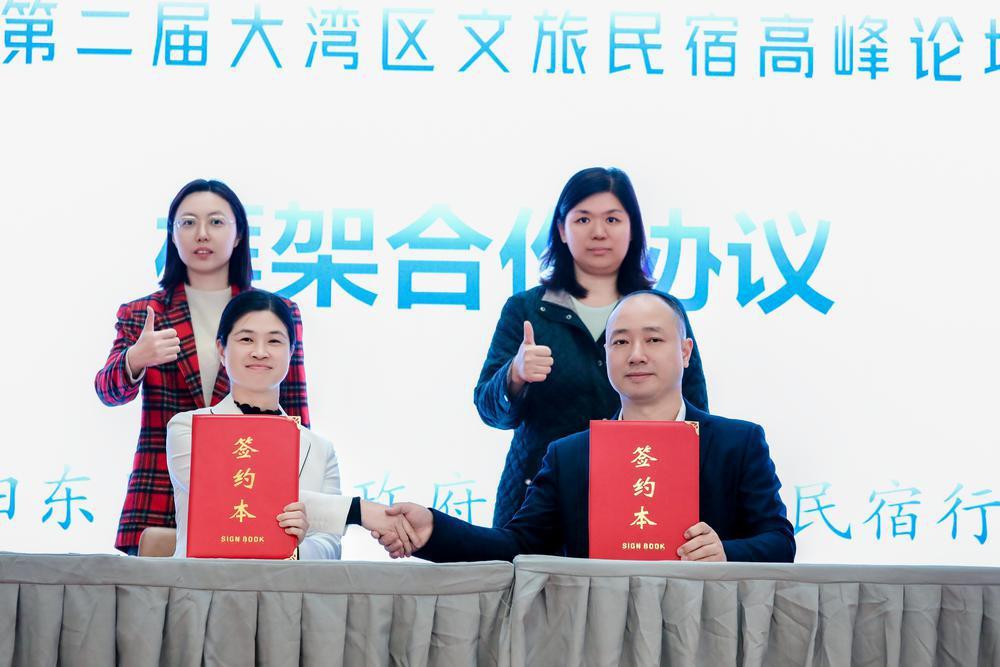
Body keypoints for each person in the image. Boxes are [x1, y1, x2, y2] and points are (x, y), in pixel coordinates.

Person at [380, 291, 795, 563]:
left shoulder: (737, 442)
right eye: (620, 342)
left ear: (685, 352)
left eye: (653, 340)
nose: (636, 355)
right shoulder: (571, 455)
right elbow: (517, 544)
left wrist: (725, 552)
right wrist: (435, 529)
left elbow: (778, 541)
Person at [475, 167, 709, 528]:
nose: (598, 232)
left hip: (639, 498)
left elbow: (694, 412)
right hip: (539, 502)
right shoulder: (525, 309)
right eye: (583, 219)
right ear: (561, 229)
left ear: (633, 229)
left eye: (612, 219)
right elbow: (490, 410)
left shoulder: (661, 311)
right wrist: (515, 375)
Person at [95, 179, 311, 555]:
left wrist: (304, 494)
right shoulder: (143, 313)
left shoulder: (276, 311)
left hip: (252, 491)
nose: (202, 234)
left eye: (216, 222)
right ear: (172, 234)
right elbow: (107, 392)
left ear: (239, 234)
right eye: (188, 222)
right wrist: (135, 359)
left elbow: (294, 412)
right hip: (162, 493)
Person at [167, 290, 414, 558]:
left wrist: (292, 547)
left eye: (274, 341)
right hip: (205, 582)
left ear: (291, 351)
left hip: (286, 584)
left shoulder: (319, 449)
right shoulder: (190, 427)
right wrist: (358, 511)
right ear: (221, 349)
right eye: (246, 339)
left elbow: (329, 547)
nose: (260, 352)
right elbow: (233, 489)